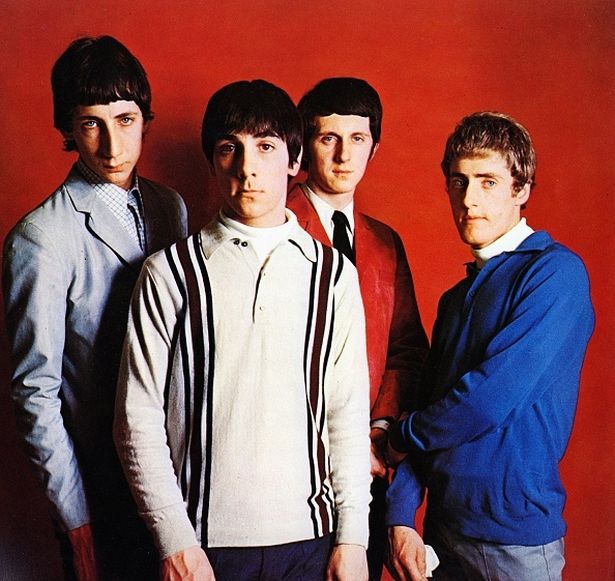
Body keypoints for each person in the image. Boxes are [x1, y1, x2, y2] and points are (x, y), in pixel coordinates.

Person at [113, 79, 372, 581]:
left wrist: (353, 539)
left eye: (266, 147)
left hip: (311, 542)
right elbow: (135, 417)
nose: (247, 167)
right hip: (203, 545)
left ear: (295, 161)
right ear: (213, 162)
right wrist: (174, 541)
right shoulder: (169, 273)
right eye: (230, 148)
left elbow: (346, 414)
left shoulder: (333, 275)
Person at [2, 36, 187, 580]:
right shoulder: (40, 237)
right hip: (101, 487)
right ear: (67, 127)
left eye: (125, 120)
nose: (112, 144)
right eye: (91, 123)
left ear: (144, 119)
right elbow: (35, 391)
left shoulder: (169, 206)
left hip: (177, 473)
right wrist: (75, 520)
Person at [385, 112, 595, 581]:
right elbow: (428, 406)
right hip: (441, 535)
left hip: (516, 542)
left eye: (487, 182)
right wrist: (401, 516)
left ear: (521, 190)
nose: (468, 199)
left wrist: (400, 436)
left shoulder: (555, 274)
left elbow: (486, 400)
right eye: (458, 182)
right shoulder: (455, 299)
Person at [286, 77, 428, 580]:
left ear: (374, 147)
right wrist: (340, 443)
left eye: (358, 139)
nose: (344, 155)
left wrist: (379, 430)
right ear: (304, 145)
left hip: (370, 470)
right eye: (328, 138)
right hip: (294, 470)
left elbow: (406, 350)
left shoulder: (385, 242)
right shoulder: (273, 224)